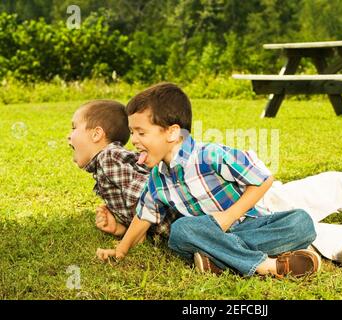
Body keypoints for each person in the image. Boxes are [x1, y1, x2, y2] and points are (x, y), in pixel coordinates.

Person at [96, 82, 322, 278]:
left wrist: (228, 216)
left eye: (141, 133)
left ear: (172, 133)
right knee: (181, 231)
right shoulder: (157, 179)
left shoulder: (210, 155)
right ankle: (268, 265)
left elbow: (262, 178)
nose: (133, 140)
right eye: (132, 132)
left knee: (302, 222)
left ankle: (218, 261)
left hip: (247, 225)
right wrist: (121, 250)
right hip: (201, 233)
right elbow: (142, 218)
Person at [67, 99, 179, 241]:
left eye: (74, 128)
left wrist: (135, 238)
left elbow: (144, 195)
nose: (68, 135)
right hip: (172, 229)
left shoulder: (108, 158)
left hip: (181, 221)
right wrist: (120, 229)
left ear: (96, 134)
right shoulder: (108, 162)